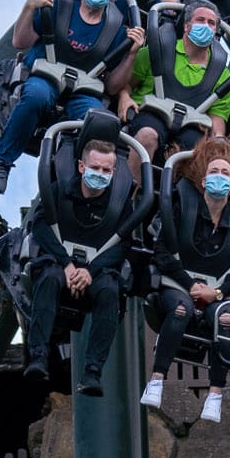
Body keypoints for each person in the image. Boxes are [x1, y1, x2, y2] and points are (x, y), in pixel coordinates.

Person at [0, 0, 143, 194]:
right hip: (46, 77)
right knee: (36, 96)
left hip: (84, 89)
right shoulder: (60, 6)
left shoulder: (117, 30)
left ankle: (79, 181)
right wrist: (30, 7)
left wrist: (131, 55)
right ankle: (3, 162)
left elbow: (111, 87)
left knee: (100, 121)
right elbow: (20, 42)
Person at [139, 137, 230, 424]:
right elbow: (162, 253)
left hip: (217, 291)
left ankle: (215, 394)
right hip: (179, 285)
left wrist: (217, 292)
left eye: (225, 174)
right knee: (180, 310)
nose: (219, 177)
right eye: (214, 172)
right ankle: (157, 379)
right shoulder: (183, 206)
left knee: (226, 320)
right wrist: (191, 285)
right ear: (204, 181)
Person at [21, 119, 140, 398]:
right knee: (48, 277)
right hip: (59, 264)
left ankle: (92, 372)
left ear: (113, 171)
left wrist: (91, 270)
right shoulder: (61, 189)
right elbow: (40, 226)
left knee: (111, 290)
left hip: (96, 273)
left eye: (106, 170)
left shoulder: (118, 202)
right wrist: (66, 264)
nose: (100, 174)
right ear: (81, 167)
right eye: (95, 168)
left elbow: (123, 245)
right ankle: (38, 356)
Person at [125, 0, 230, 161]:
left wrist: (217, 142)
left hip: (191, 124)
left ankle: (174, 187)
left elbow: (217, 118)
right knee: (147, 136)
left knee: (193, 153)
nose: (205, 26)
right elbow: (128, 83)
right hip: (151, 113)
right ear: (186, 26)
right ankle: (134, 185)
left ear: (215, 32)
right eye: (200, 20)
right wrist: (124, 96)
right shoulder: (159, 49)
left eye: (211, 23)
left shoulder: (222, 74)